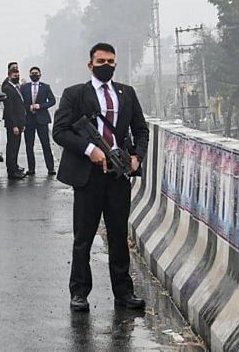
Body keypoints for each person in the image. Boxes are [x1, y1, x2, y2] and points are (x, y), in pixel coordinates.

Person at [52, 43, 149, 312]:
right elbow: (59, 131)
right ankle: (79, 293)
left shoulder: (126, 94)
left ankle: (124, 293)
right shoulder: (74, 94)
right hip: (88, 176)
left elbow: (141, 129)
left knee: (119, 235)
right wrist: (89, 149)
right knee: (83, 237)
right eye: (101, 60)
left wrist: (136, 157)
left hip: (118, 175)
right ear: (90, 64)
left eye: (110, 61)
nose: (106, 65)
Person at [20, 66, 56, 175]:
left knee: (46, 144)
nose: (34, 75)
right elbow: (20, 102)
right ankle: (31, 169)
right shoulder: (24, 87)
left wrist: (41, 106)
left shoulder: (45, 87)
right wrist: (28, 107)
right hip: (29, 120)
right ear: (29, 75)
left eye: (36, 73)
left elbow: (52, 100)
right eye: (32, 73)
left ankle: (50, 168)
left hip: (42, 120)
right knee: (29, 146)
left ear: (40, 75)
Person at [1, 68, 27, 179]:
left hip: (19, 122)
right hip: (13, 124)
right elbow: (9, 109)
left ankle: (15, 166)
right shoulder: (8, 88)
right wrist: (14, 125)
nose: (17, 77)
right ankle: (11, 170)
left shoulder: (16, 88)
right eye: (14, 75)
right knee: (12, 147)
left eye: (18, 75)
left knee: (16, 147)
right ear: (9, 76)